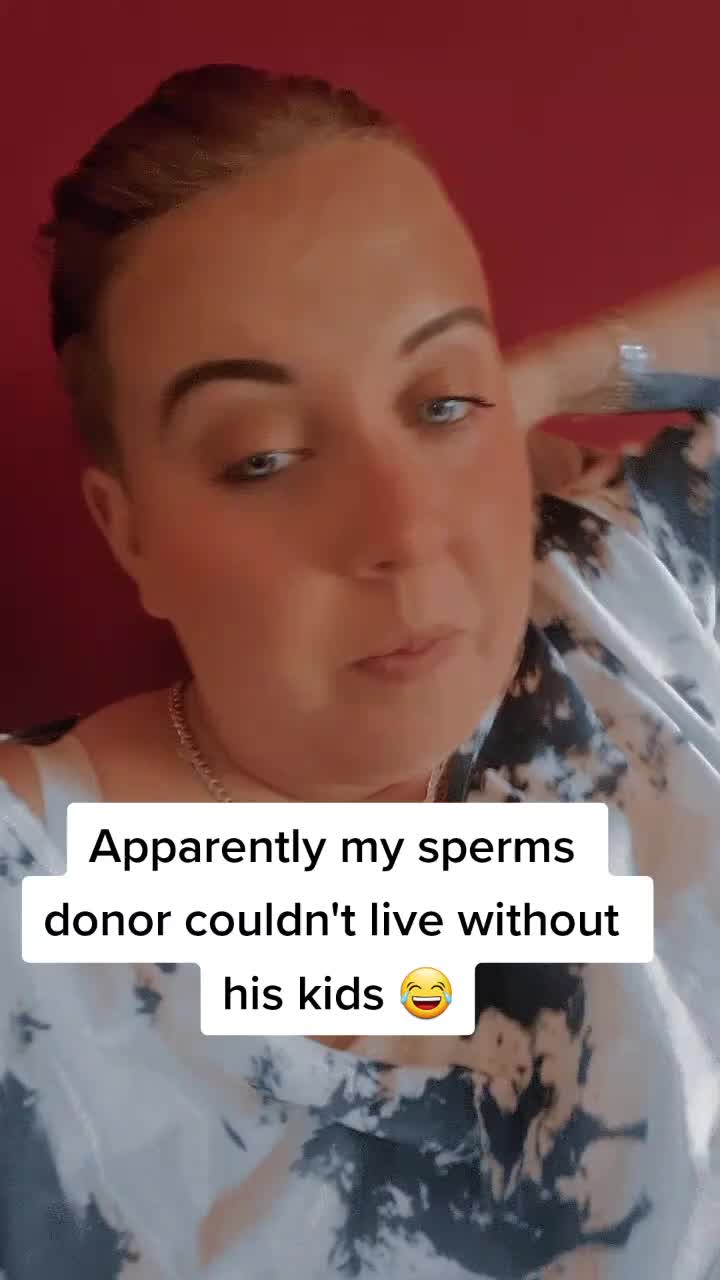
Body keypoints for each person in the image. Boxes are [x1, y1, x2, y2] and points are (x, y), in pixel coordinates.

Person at [0, 64, 718, 1280]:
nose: (406, 526)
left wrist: (555, 374)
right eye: (265, 458)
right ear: (129, 531)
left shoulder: (636, 597)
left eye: (441, 404)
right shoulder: (34, 905)